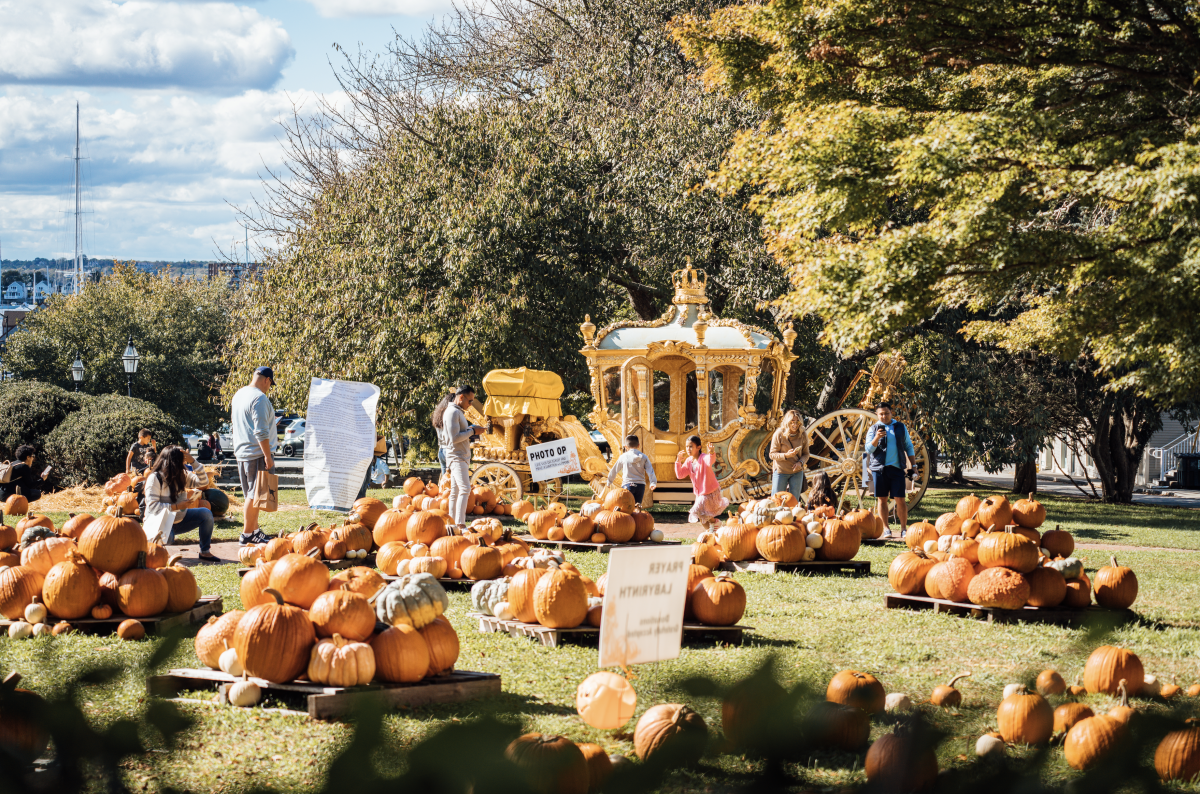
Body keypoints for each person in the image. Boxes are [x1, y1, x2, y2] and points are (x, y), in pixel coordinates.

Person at [144, 445, 218, 561]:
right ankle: (158, 554)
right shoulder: (155, 478)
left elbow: (203, 482)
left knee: (206, 514)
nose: (184, 464)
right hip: (161, 524)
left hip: (180, 519)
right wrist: (177, 506)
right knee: (168, 538)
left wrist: (193, 462)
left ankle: (205, 552)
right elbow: (153, 507)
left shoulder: (183, 475)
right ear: (174, 462)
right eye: (182, 461)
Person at [231, 366, 277, 545]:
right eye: (270, 384)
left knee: (252, 494)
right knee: (255, 494)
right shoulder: (260, 398)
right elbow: (261, 431)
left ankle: (255, 531)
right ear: (266, 380)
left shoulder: (239, 394)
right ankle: (247, 534)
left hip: (242, 451)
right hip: (257, 452)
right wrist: (267, 456)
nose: (269, 387)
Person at [865, 402, 916, 539]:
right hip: (879, 469)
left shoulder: (900, 427)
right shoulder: (873, 429)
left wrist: (914, 465)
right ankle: (886, 528)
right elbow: (868, 450)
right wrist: (877, 437)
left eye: (886, 413)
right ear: (877, 415)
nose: (884, 416)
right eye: (881, 414)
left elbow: (908, 446)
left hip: (897, 468)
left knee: (900, 499)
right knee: (882, 499)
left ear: (891, 413)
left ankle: (904, 529)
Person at [437, 385, 484, 531]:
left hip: (460, 456)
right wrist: (473, 431)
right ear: (461, 397)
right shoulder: (452, 412)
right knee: (465, 489)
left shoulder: (457, 411)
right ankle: (460, 524)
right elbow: (454, 438)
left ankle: (451, 523)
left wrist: (470, 430)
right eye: (469, 401)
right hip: (457, 456)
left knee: (456, 491)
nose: (470, 405)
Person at [674, 435, 729, 531]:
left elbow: (710, 460)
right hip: (700, 494)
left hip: (709, 491)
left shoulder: (703, 458)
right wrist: (678, 461)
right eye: (687, 446)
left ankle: (716, 523)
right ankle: (711, 532)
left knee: (698, 511)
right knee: (702, 517)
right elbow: (680, 475)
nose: (688, 449)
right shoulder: (688, 461)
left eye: (691, 446)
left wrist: (711, 452)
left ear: (698, 447)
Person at [769, 410, 809, 503]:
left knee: (793, 501)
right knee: (776, 500)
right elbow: (772, 454)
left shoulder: (803, 434)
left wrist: (800, 462)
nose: (795, 424)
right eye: (792, 422)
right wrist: (786, 455)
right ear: (787, 422)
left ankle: (791, 517)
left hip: (796, 472)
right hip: (781, 471)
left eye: (797, 422)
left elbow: (806, 454)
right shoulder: (779, 433)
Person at [605, 434, 657, 506]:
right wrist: (653, 483)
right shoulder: (644, 457)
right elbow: (650, 470)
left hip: (628, 484)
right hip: (640, 486)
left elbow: (615, 470)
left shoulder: (623, 457)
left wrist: (609, 481)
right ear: (638, 445)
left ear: (626, 447)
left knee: (627, 507)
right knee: (637, 507)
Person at [430, 391, 454, 481]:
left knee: (444, 480)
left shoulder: (438, 416)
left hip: (441, 450)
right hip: (449, 450)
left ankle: (443, 494)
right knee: (451, 481)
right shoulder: (450, 415)